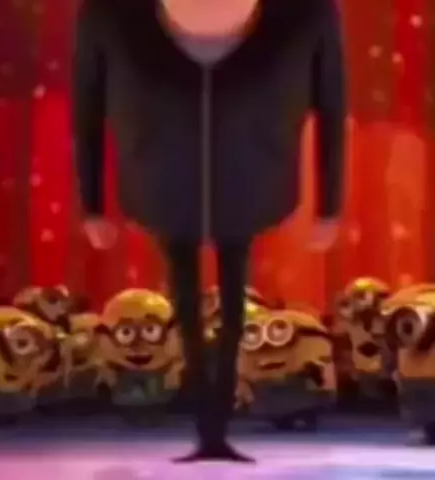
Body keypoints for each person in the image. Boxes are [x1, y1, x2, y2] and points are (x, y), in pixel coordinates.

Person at [72, 0, 345, 463]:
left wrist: (330, 206)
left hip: (250, 185)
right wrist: (92, 204)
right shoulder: (110, 14)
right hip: (161, 186)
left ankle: (215, 427)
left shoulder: (304, 14)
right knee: (187, 306)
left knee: (233, 305)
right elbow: (88, 110)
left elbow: (331, 105)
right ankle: (206, 426)